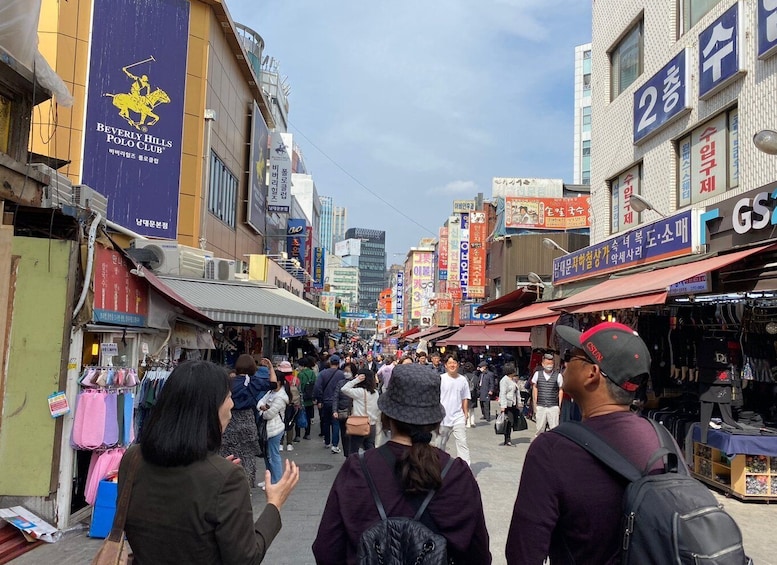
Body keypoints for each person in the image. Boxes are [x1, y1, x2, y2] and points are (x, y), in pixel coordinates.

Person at [505, 322, 658, 565]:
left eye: (571, 356)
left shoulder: (551, 450)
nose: (563, 363)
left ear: (592, 373)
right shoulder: (664, 441)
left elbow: (523, 553)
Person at [119, 360, 299, 564]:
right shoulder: (227, 478)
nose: (232, 403)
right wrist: (274, 504)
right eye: (228, 396)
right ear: (210, 407)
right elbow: (245, 558)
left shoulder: (132, 458)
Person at [312, 363, 492, 564]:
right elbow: (479, 555)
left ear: (386, 417)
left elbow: (326, 549)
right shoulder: (457, 474)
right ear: (435, 422)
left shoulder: (357, 469)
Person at [219, 354, 277, 486]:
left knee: (226, 453)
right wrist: (270, 368)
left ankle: (226, 482)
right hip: (247, 419)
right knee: (247, 456)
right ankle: (246, 484)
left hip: (229, 419)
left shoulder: (227, 381)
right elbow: (273, 384)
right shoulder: (253, 381)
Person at [435, 353, 471, 465]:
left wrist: (465, 413)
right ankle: (437, 466)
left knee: (462, 443)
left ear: (458, 365)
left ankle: (465, 468)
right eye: (450, 363)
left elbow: (465, 397)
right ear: (445, 365)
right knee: (440, 444)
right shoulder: (440, 379)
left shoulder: (463, 380)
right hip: (443, 418)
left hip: (458, 417)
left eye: (454, 363)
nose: (452, 365)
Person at [257, 376, 290, 484]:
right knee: (267, 455)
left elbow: (269, 414)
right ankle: (269, 479)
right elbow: (260, 402)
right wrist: (263, 407)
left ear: (279, 382)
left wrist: (263, 410)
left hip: (275, 429)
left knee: (273, 455)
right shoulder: (270, 392)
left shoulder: (281, 397)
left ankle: (277, 481)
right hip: (267, 430)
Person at [339, 368, 380, 455]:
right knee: (370, 449)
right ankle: (370, 467)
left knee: (354, 450)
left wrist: (355, 380)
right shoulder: (376, 392)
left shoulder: (359, 392)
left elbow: (344, 389)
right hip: (372, 424)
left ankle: (354, 467)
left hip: (359, 425)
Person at [314, 354, 345, 453]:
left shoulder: (323, 373)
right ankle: (334, 445)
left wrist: (319, 399)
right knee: (336, 423)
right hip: (337, 402)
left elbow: (317, 387)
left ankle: (327, 442)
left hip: (325, 401)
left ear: (330, 362)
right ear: (338, 363)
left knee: (326, 422)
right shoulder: (341, 374)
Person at [531, 352, 563, 436]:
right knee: (539, 429)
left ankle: (553, 447)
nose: (549, 365)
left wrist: (559, 405)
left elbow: (561, 390)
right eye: (547, 363)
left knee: (554, 429)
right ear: (543, 364)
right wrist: (535, 403)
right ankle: (539, 446)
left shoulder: (558, 376)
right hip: (540, 405)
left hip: (553, 406)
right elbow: (535, 387)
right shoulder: (537, 374)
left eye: (551, 363)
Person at [277, 360, 301, 451]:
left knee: (281, 422)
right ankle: (289, 444)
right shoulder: (296, 379)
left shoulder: (280, 380)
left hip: (281, 403)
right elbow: (300, 392)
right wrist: (299, 405)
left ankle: (280, 444)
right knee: (290, 423)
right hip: (293, 404)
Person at [498, 362, 522, 446]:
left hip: (513, 404)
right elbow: (503, 393)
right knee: (508, 422)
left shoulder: (512, 380)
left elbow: (516, 392)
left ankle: (508, 438)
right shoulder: (504, 380)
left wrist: (519, 402)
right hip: (507, 404)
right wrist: (503, 406)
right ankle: (507, 439)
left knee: (511, 422)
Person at [297, 355, 318, 440]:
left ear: (302, 365)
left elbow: (299, 387)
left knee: (299, 416)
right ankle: (307, 433)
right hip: (310, 399)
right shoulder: (312, 373)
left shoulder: (300, 374)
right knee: (308, 417)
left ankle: (297, 435)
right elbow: (315, 385)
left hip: (301, 399)